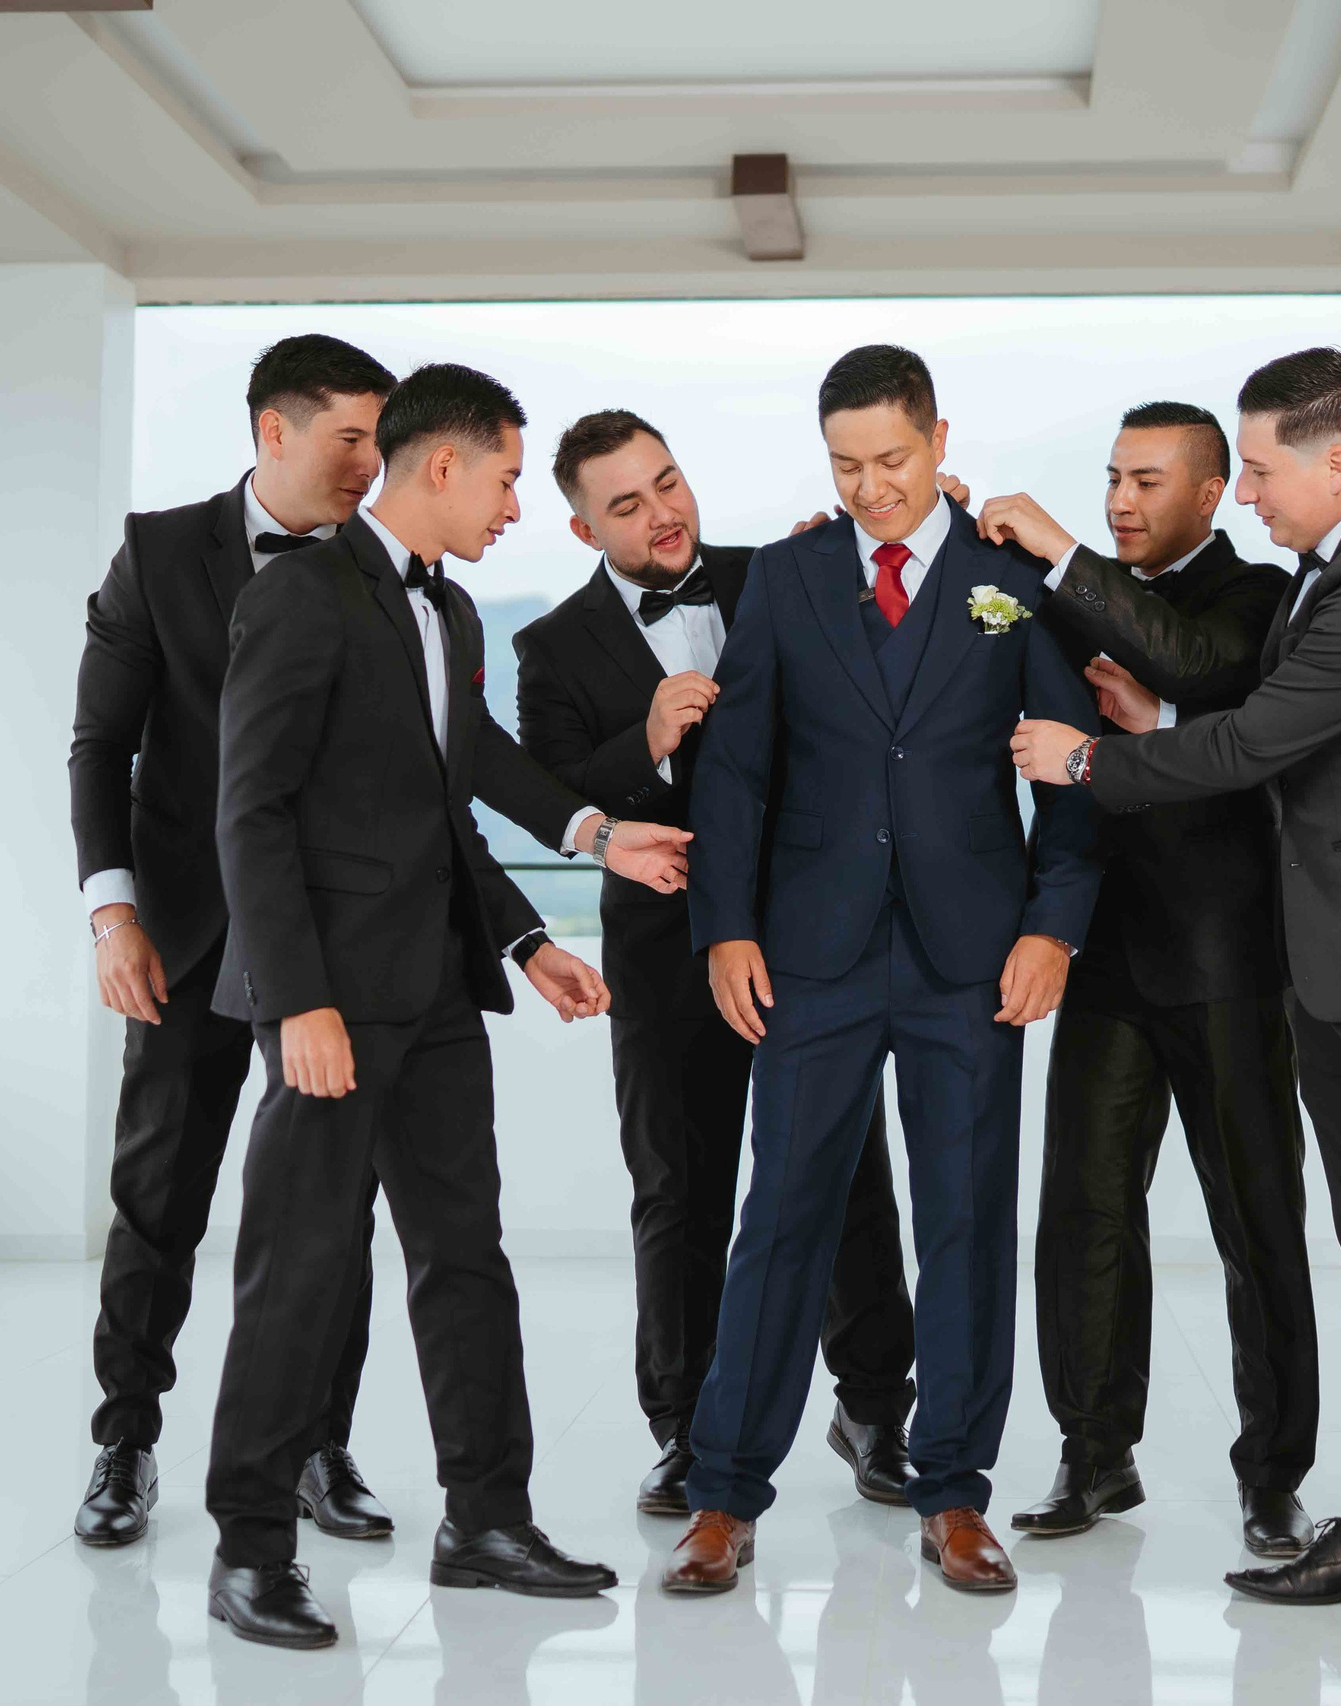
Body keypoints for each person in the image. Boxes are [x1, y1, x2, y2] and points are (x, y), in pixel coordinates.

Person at [1005, 347, 1341, 1670]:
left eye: (1256, 468)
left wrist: (1095, 755)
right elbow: (1275, 730)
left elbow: (1259, 739)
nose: (1248, 492)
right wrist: (1163, 714)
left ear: (1338, 464)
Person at [200, 363, 691, 1648]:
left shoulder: (451, 614)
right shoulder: (299, 595)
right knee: (297, 1267)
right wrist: (295, 1001)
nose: (517, 505)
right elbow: (246, 810)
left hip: (432, 996)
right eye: (510, 477)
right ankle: (250, 1544)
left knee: (465, 1258)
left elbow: (456, 785)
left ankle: (485, 1516)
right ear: (441, 467)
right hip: (328, 1009)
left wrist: (561, 890)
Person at [663, 345, 1100, 1598]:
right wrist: (726, 926)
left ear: (939, 437)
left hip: (975, 957)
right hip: (810, 954)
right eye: (846, 466)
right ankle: (723, 1492)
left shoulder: (1011, 578)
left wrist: (1052, 924)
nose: (870, 489)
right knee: (781, 1218)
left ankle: (953, 1492)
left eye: (892, 461)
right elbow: (737, 769)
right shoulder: (789, 577)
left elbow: (1066, 763)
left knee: (967, 1221)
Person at [512, 410, 921, 1516]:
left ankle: (877, 1406)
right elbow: (549, 794)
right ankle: (683, 1427)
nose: (662, 513)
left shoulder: (780, 574)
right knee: (678, 1189)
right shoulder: (548, 647)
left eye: (669, 483)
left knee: (846, 1175)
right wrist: (642, 741)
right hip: (659, 955)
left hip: (806, 941)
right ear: (582, 524)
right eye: (628, 504)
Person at [66, 334, 399, 1549]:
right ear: (273, 430)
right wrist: (114, 912)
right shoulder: (161, 550)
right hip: (188, 931)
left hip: (337, 942)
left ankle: (317, 1441)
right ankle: (123, 1443)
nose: (372, 463)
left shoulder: (382, 567)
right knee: (159, 1193)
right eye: (349, 438)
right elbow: (102, 744)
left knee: (331, 1203)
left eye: (381, 438)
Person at [975, 403, 1320, 1557]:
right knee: (1081, 1210)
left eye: (1149, 480)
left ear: (1213, 491)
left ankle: (1273, 1473)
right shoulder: (1073, 596)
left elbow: (1200, 668)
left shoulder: (1258, 599)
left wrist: (1145, 712)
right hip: (1103, 949)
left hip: (1229, 956)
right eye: (1112, 477)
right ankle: (1092, 1451)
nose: (1122, 499)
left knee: (1255, 1218)